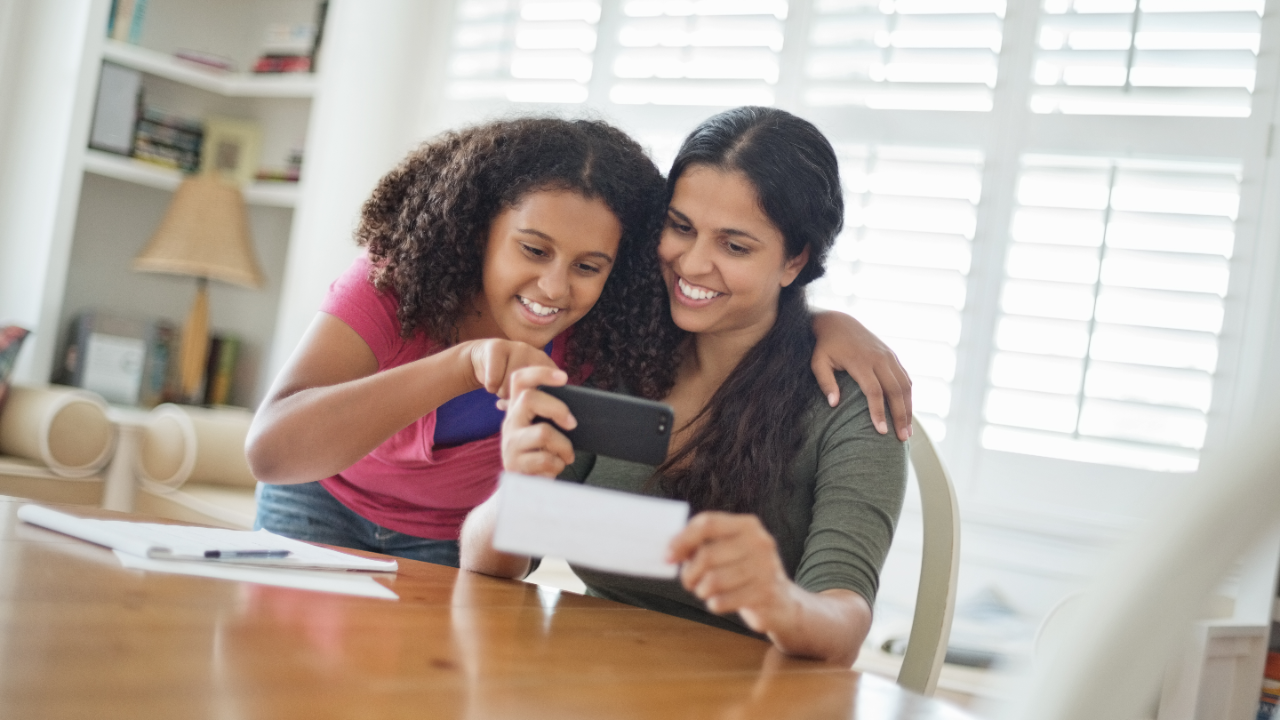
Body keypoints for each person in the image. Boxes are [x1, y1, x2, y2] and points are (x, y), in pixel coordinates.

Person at [247, 116, 910, 569]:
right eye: (533, 249)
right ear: (480, 227)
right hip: (321, 503)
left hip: (460, 539)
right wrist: (462, 365)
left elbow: (736, 300)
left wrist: (822, 320)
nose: (555, 288)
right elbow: (273, 452)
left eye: (590, 265)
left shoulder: (609, 323)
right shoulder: (399, 280)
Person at [460, 107, 908, 666]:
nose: (692, 264)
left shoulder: (850, 406)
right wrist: (517, 493)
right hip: (579, 676)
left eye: (735, 247)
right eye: (681, 227)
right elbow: (490, 564)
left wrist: (779, 600)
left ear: (795, 260)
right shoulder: (623, 353)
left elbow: (842, 624)